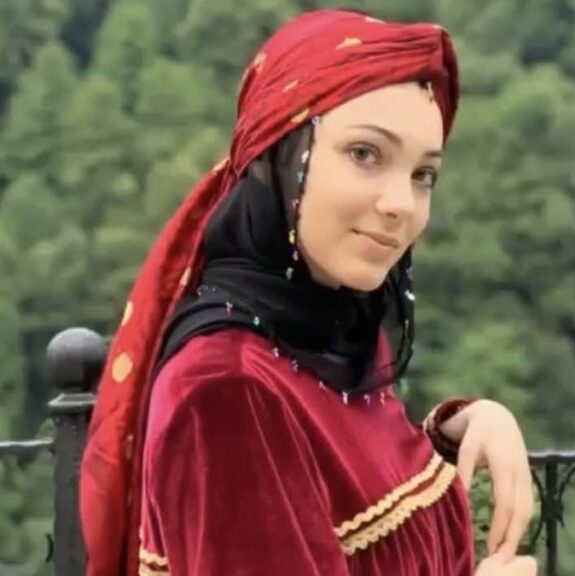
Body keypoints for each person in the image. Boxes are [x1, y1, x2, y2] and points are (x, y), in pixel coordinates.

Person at [79, 9, 537, 576]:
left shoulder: (331, 330)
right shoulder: (227, 389)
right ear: (280, 155)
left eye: (423, 175)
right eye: (365, 154)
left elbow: (354, 495)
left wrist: (458, 429)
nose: (402, 204)